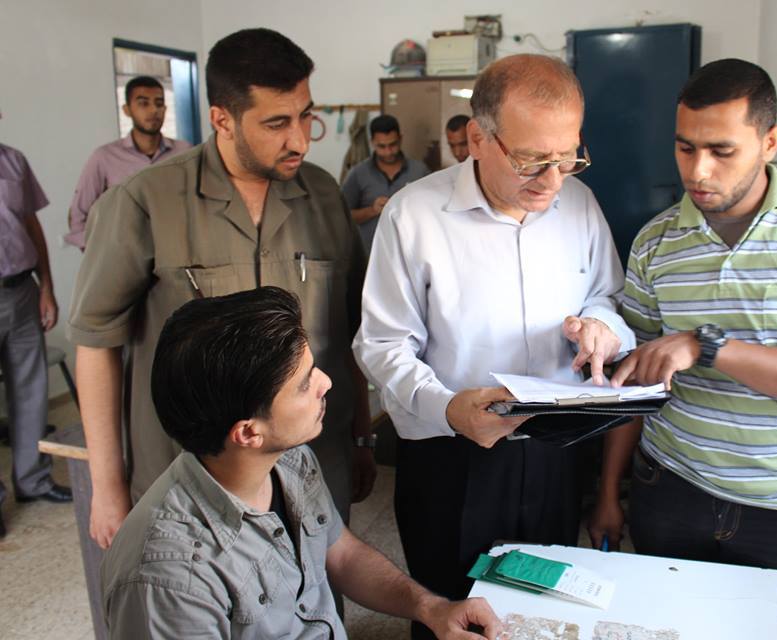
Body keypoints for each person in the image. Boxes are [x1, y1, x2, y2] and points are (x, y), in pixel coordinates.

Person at [353, 54, 634, 640]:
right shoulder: (415, 215)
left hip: (556, 451)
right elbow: (382, 344)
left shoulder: (580, 204)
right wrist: (447, 408)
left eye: (567, 158)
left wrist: (601, 325)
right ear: (477, 139)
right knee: (452, 613)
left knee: (544, 615)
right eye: (532, 160)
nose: (552, 181)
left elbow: (607, 295)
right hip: (452, 455)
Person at [68, 28, 373, 551]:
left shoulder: (323, 195)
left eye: (305, 115)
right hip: (192, 477)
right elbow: (97, 343)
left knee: (320, 589)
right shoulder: (145, 202)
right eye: (276, 123)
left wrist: (362, 438)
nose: (300, 140)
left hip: (314, 464)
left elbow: (349, 333)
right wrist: (108, 486)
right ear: (222, 119)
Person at [588, 59, 777, 573]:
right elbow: (632, 384)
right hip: (668, 485)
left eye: (722, 151)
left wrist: (706, 345)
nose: (698, 171)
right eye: (685, 148)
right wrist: (609, 492)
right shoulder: (655, 241)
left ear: (770, 142)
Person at [100, 286, 501, 639]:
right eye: (305, 383)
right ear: (248, 433)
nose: (326, 383)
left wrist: (432, 609)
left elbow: (340, 553)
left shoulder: (289, 458)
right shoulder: (168, 578)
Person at [0, 136, 72, 539]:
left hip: (21, 290)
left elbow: (30, 224)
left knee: (31, 387)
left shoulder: (13, 160)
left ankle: (33, 480)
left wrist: (46, 285)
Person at [65, 76, 192, 250]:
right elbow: (78, 216)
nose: (153, 110)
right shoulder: (105, 157)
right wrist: (98, 254)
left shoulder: (185, 153)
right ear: (127, 110)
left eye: (159, 103)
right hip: (126, 255)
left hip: (177, 252)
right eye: (143, 103)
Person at [341, 114, 430, 254]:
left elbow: (431, 213)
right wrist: (372, 210)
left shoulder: (419, 171)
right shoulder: (358, 174)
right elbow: (343, 216)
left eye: (393, 145)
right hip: (370, 256)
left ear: (400, 139)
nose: (388, 152)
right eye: (381, 146)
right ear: (372, 142)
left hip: (411, 254)